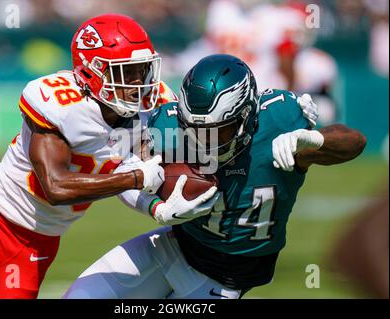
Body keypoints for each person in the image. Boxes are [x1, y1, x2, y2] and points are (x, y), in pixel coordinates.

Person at [0, 14, 213, 299]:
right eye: (125, 72)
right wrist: (135, 178)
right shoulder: (58, 102)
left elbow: (137, 174)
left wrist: (155, 207)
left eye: (142, 70)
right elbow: (56, 186)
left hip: (35, 241)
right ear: (89, 72)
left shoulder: (150, 108)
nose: (137, 83)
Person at [63, 54, 366, 299]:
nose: (204, 141)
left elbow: (354, 141)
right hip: (172, 245)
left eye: (218, 130)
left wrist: (314, 141)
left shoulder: (279, 122)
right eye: (194, 130)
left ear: (247, 115)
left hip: (225, 277)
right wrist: (156, 206)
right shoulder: (167, 126)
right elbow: (128, 170)